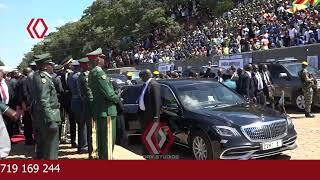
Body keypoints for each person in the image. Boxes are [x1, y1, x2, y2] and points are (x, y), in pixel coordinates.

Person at [87, 48, 120, 160]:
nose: (104, 60)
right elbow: (109, 93)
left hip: (99, 109)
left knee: (101, 140)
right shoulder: (99, 73)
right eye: (102, 58)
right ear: (97, 60)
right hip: (107, 110)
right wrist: (118, 98)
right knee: (108, 140)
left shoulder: (92, 73)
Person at [32, 54, 61, 160]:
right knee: (51, 150)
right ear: (45, 66)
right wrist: (51, 120)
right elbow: (44, 101)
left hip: (43, 116)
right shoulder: (43, 79)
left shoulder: (38, 76)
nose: (52, 66)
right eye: (50, 64)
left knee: (45, 148)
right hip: (49, 116)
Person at [138, 70, 161, 156]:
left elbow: (157, 101)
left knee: (153, 137)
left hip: (151, 116)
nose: (141, 79)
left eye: (141, 77)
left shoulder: (154, 84)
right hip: (144, 115)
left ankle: (155, 155)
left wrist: (156, 116)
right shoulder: (145, 85)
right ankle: (146, 154)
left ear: (146, 75)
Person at [68, 60, 88, 153]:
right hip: (79, 101)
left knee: (80, 124)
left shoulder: (71, 76)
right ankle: (83, 146)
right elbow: (80, 92)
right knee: (82, 124)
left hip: (73, 101)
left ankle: (81, 145)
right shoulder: (79, 76)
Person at [78, 57, 95, 159]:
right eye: (88, 64)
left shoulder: (82, 75)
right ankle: (92, 153)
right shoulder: (84, 76)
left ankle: (91, 152)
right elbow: (89, 93)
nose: (89, 65)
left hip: (86, 104)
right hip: (90, 105)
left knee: (90, 129)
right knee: (91, 129)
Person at [60, 56, 77, 147]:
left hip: (65, 101)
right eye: (71, 63)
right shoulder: (71, 75)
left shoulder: (62, 74)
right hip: (71, 100)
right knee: (72, 121)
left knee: (66, 120)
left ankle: (65, 137)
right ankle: (73, 140)